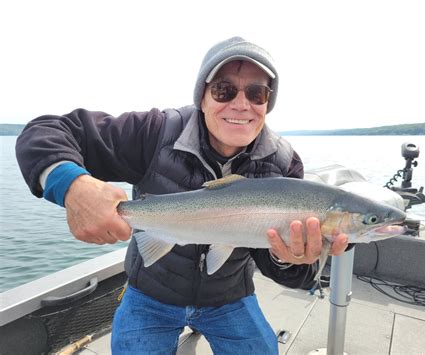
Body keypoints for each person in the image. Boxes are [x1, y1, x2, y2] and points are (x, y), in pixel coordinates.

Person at [16, 36, 349, 354]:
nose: (240, 103)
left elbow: (287, 269)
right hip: (151, 292)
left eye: (256, 93)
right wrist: (72, 185)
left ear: (267, 103)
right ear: (202, 96)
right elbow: (47, 131)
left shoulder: (283, 164)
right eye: (224, 89)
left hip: (229, 295)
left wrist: (289, 257)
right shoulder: (155, 132)